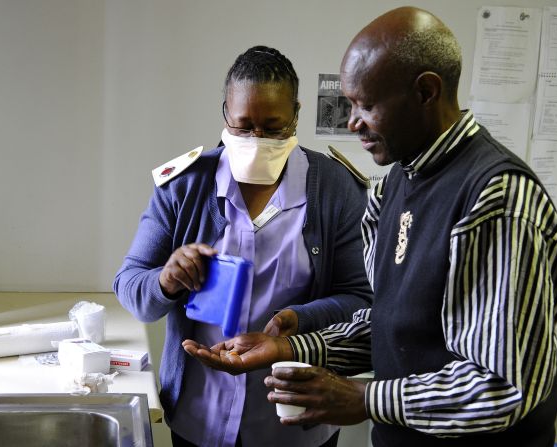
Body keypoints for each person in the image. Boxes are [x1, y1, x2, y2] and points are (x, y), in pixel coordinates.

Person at [182, 7, 557, 447]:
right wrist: (290, 348)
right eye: (351, 105)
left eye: (366, 106)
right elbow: (393, 326)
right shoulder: (394, 185)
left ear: (426, 91)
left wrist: (367, 397)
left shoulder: (496, 197)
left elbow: (502, 387)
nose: (353, 124)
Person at [114, 45, 373, 447]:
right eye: (243, 126)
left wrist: (299, 319)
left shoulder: (335, 189)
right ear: (224, 115)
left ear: (296, 116)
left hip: (295, 420)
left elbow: (362, 299)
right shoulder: (183, 186)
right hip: (200, 416)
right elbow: (132, 290)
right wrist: (166, 281)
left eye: (274, 127)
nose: (258, 139)